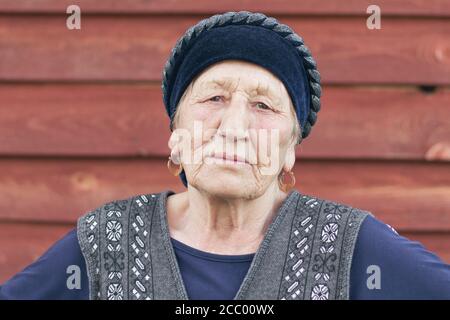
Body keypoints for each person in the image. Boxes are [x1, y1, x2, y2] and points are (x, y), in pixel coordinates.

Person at [1, 11, 449, 300]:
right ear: (176, 135)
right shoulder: (107, 241)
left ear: (290, 151)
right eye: (213, 98)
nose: (234, 129)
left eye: (263, 106)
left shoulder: (352, 245)